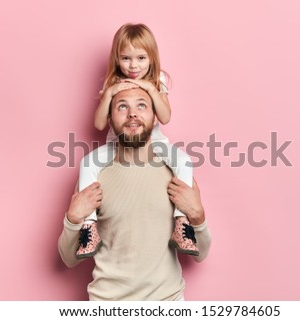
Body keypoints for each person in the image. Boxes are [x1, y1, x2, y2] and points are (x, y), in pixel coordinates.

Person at [58, 88, 211, 300]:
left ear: (155, 116)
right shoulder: (93, 178)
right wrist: (73, 219)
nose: (132, 113)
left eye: (142, 105)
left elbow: (201, 254)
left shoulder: (177, 175)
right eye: (122, 106)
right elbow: (68, 259)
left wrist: (198, 216)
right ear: (110, 119)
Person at [75, 23, 197, 259]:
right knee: (87, 164)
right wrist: (109, 93)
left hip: (154, 142)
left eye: (141, 58)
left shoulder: (157, 79)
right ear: (116, 59)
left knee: (184, 161)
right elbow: (100, 124)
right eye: (126, 58)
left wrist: (150, 90)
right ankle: (89, 228)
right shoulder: (112, 82)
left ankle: (182, 223)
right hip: (116, 145)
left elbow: (165, 116)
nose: (133, 66)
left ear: (151, 58)